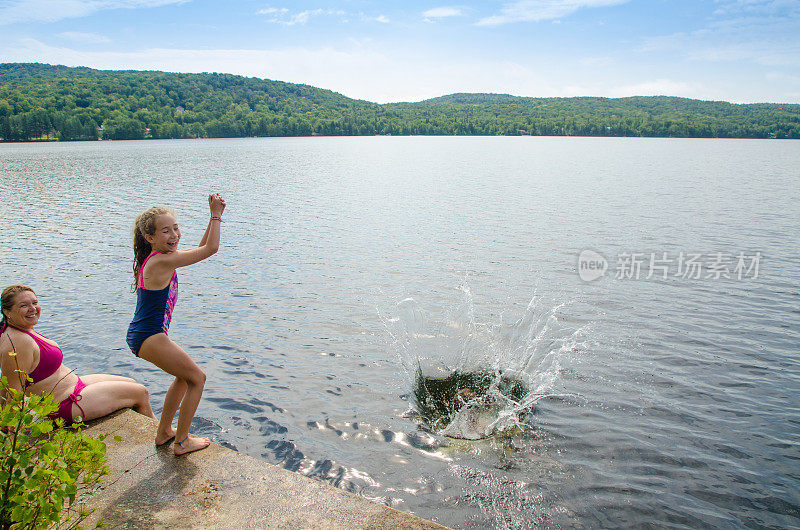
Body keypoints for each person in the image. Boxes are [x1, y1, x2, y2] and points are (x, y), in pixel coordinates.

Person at [127, 194, 225, 455]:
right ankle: (182, 442)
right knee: (197, 378)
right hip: (149, 335)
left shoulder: (160, 257)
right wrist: (216, 216)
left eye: (176, 228)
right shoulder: (161, 261)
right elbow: (211, 250)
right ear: (150, 237)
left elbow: (201, 248)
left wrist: (211, 218)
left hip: (146, 334)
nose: (174, 235)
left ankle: (164, 432)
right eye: (165, 231)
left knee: (184, 378)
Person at [0, 284, 157, 426]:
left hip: (74, 386)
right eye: (24, 306)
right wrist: (10, 432)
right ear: (7, 312)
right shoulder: (18, 342)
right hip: (64, 405)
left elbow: (5, 380)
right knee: (139, 392)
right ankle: (162, 434)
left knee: (130, 382)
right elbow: (13, 389)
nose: (33, 309)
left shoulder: (22, 329)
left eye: (34, 303)